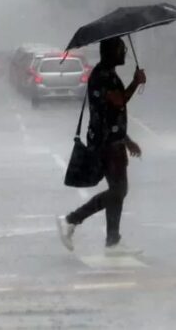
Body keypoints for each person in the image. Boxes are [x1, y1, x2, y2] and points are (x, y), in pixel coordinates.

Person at [57, 37, 146, 252]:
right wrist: (136, 82)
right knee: (118, 191)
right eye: (120, 49)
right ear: (110, 52)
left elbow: (111, 114)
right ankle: (71, 220)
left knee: (118, 190)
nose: (124, 52)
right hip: (105, 144)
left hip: (113, 140)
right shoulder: (101, 76)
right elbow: (118, 101)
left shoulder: (108, 73)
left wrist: (127, 140)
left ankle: (112, 240)